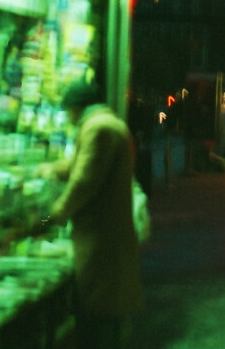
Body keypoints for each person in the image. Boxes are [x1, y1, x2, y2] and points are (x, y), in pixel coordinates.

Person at [43, 79, 143, 349]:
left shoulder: (99, 129)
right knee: (102, 317)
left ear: (77, 108)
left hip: (102, 242)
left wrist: (53, 215)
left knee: (99, 319)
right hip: (106, 239)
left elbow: (84, 181)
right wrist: (50, 169)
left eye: (68, 112)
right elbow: (81, 166)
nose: (68, 118)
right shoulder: (105, 125)